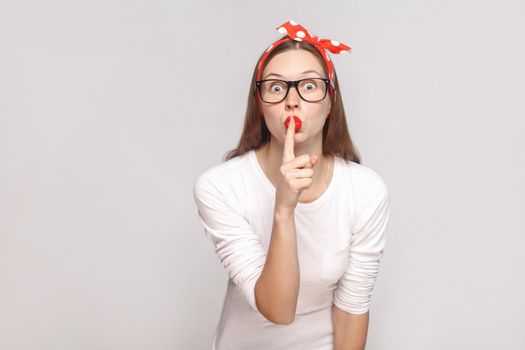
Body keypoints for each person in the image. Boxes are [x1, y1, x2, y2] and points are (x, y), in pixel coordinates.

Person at [192, 19, 390, 350]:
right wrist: (283, 209)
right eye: (277, 87)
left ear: (330, 104)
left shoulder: (366, 191)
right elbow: (279, 309)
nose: (292, 100)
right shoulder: (220, 186)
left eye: (309, 86)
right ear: (261, 105)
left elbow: (351, 310)